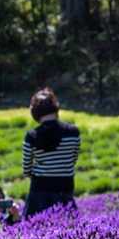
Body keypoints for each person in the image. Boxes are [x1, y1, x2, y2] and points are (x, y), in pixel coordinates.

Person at [22, 88, 80, 218]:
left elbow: (26, 168)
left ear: (35, 112)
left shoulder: (32, 136)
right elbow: (73, 159)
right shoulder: (73, 132)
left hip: (40, 189)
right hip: (65, 186)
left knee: (34, 228)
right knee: (68, 226)